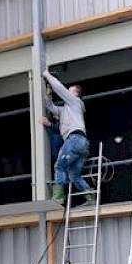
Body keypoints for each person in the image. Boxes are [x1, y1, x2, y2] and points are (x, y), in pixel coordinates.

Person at [43, 70, 95, 206]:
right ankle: (91, 198)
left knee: (59, 166)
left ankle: (59, 197)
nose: (67, 92)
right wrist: (48, 92)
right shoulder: (66, 109)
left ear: (76, 93)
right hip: (81, 143)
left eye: (69, 90)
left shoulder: (75, 101)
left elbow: (59, 89)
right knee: (74, 175)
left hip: (74, 139)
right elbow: (50, 107)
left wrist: (47, 75)